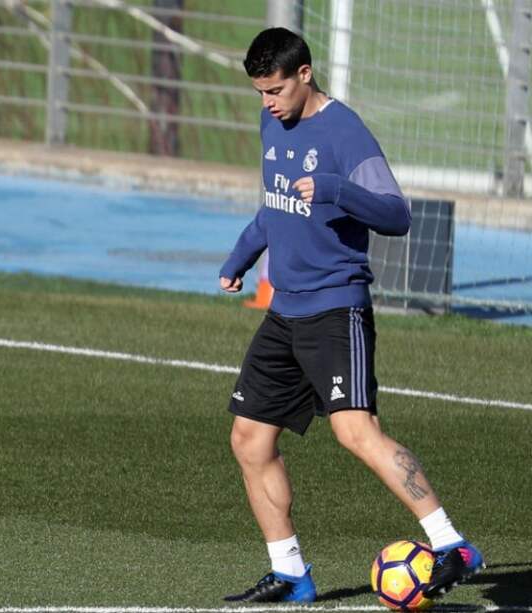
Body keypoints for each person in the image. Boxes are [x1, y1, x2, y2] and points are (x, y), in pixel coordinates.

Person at [218, 27, 484, 603]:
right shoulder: (273, 121)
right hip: (284, 312)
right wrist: (243, 254)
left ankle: (452, 544)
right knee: (248, 439)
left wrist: (338, 188)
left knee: (355, 431)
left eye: (275, 89)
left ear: (305, 74)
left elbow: (396, 214)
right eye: (260, 92)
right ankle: (290, 572)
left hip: (337, 310)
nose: (267, 102)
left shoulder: (346, 132)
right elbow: (276, 205)